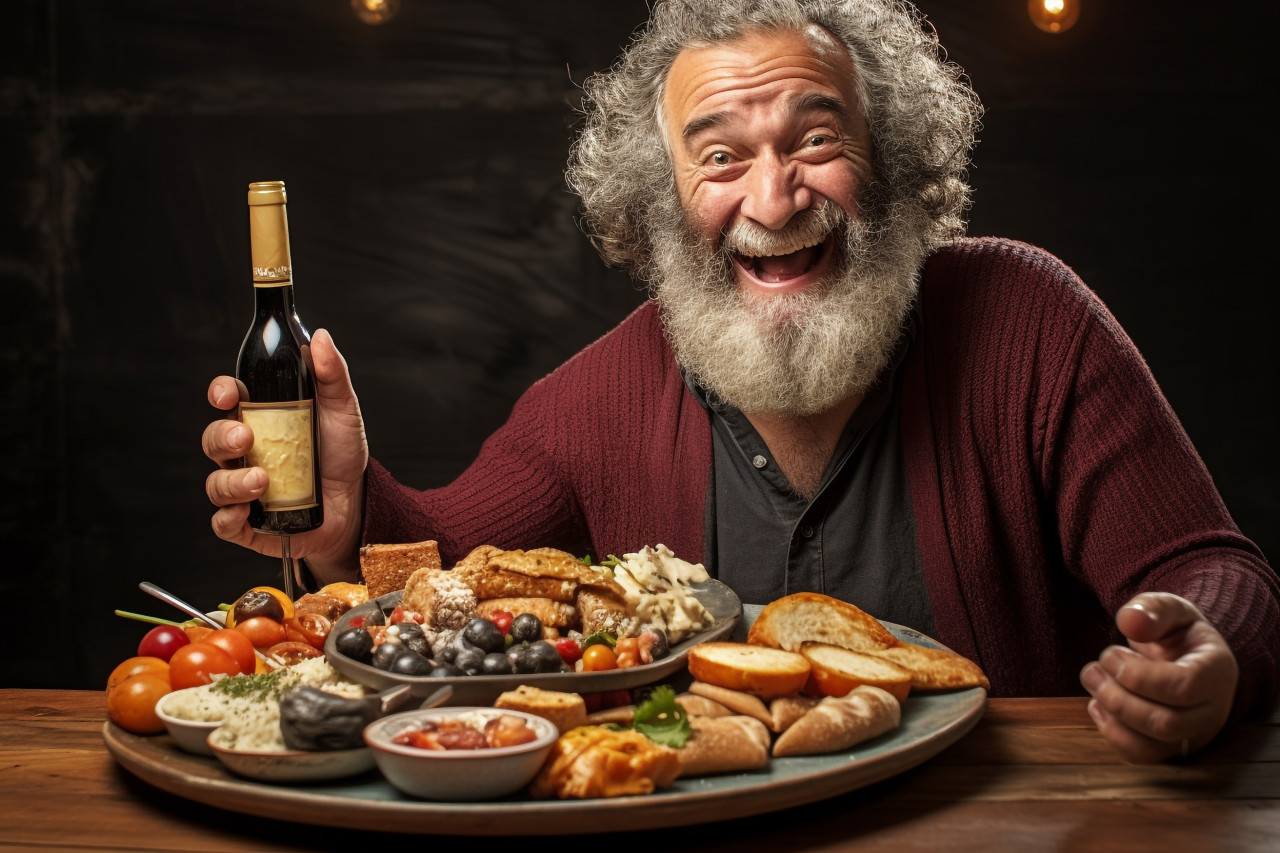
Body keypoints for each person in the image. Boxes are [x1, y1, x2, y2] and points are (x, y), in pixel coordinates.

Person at [201, 0, 1278, 764]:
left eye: (816, 139)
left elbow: (1202, 567)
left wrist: (1207, 654)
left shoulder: (1026, 318)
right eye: (718, 157)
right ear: (661, 200)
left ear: (888, 161)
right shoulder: (594, 398)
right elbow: (442, 572)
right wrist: (345, 517)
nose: (773, 195)